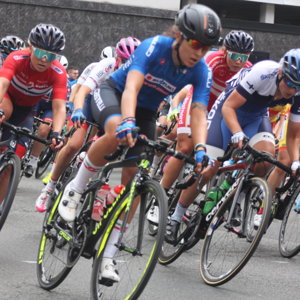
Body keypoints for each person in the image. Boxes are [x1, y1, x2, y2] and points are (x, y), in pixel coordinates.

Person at [57, 3, 221, 282]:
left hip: (146, 112)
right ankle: (76, 188)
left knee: (135, 183)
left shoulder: (200, 70)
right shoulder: (155, 46)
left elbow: (198, 110)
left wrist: (202, 147)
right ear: (180, 35)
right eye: (195, 43)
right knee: (113, 132)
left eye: (207, 48)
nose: (199, 52)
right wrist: (126, 119)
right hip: (115, 93)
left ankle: (108, 255)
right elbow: (131, 86)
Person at [165, 48, 300, 244]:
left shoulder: (297, 93)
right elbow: (229, 107)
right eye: (289, 83)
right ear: (280, 73)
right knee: (207, 169)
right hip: (227, 111)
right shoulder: (263, 72)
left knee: (266, 158)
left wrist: (296, 161)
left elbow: (294, 134)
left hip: (256, 116)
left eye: (297, 86)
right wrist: (237, 132)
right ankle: (176, 217)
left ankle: (235, 183)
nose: (292, 90)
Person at [35, 37, 140, 212]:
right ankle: (50, 187)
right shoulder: (106, 64)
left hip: (113, 110)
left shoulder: (137, 72)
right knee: (74, 144)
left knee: (108, 149)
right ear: (117, 58)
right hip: (90, 102)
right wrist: (75, 109)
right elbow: (82, 89)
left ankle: (90, 184)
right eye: (122, 61)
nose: (124, 66)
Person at [160, 30, 254, 226]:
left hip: (220, 109)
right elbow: (198, 90)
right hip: (199, 101)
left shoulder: (248, 70)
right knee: (185, 147)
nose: (238, 62)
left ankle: (184, 200)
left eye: (243, 57)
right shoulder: (213, 59)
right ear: (224, 50)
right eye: (234, 56)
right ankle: (160, 196)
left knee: (211, 158)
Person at [0, 23, 67, 160]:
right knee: (6, 109)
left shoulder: (58, 72)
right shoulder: (16, 58)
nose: (44, 59)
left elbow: (59, 107)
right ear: (30, 47)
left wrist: (56, 133)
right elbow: (2, 84)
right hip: (7, 98)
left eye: (50, 56)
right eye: (40, 52)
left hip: (27, 109)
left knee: (18, 152)